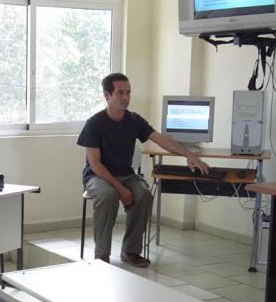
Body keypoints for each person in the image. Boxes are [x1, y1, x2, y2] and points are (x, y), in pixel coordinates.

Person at [77, 73, 209, 266]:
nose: (125, 97)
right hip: (98, 177)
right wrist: (120, 189)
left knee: (144, 194)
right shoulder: (94, 124)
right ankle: (102, 256)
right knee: (108, 195)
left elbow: (160, 138)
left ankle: (130, 251)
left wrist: (188, 154)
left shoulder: (134, 120)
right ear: (107, 95)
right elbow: (95, 164)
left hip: (126, 174)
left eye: (128, 92)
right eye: (120, 93)